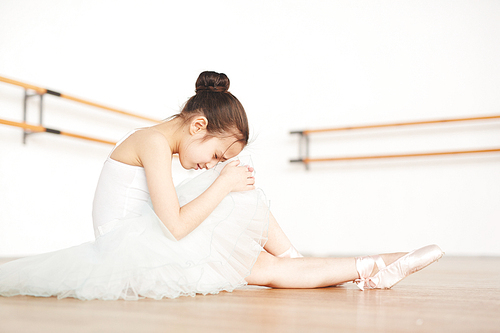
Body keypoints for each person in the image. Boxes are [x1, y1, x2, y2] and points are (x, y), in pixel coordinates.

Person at [0, 71, 444, 300]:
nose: (208, 164)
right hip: (134, 246)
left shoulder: (156, 141)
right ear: (197, 126)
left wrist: (227, 180)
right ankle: (357, 264)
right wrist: (225, 181)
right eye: (215, 153)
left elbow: (167, 217)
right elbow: (172, 225)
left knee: (258, 254)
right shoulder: (152, 142)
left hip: (144, 237)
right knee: (253, 238)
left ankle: (379, 264)